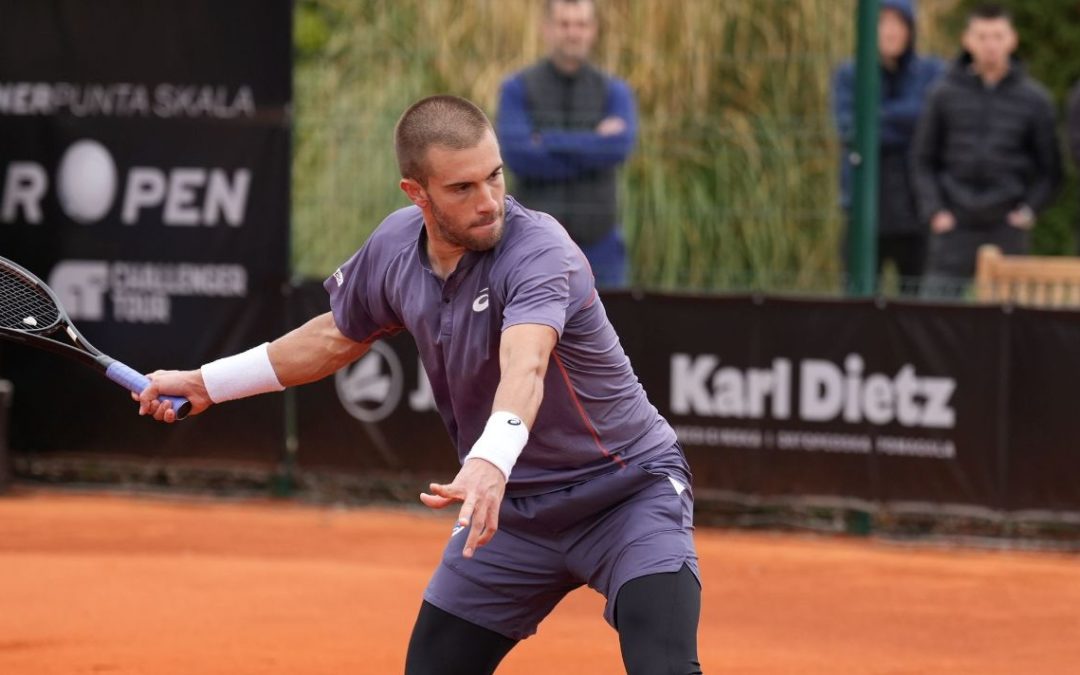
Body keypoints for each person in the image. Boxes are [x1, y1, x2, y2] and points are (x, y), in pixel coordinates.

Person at [135, 95, 701, 675]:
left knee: (664, 666)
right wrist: (208, 383)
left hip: (625, 493)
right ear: (417, 193)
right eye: (462, 189)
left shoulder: (541, 250)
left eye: (495, 177)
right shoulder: (394, 248)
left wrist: (490, 461)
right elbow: (335, 335)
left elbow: (525, 365)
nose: (488, 202)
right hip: (511, 515)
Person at [912, 3, 1061, 298]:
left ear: (1012, 39)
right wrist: (935, 211)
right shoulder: (942, 94)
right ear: (967, 40)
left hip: (1006, 226)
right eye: (982, 36)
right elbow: (922, 160)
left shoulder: (1034, 100)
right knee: (934, 319)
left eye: (997, 36)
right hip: (953, 226)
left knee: (1009, 322)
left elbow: (1050, 170)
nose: (990, 45)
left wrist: (1027, 211)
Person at [495, 0, 637, 289]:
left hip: (601, 250)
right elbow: (518, 156)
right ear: (546, 29)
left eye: (581, 24)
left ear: (593, 30)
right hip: (531, 250)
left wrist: (546, 140)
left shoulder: (615, 91)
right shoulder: (516, 88)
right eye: (564, 24)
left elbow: (617, 148)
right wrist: (594, 142)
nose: (573, 33)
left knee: (609, 331)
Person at [831, 0, 944, 294]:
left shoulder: (930, 71)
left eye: (898, 23)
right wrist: (906, 121)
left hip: (917, 207)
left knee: (917, 304)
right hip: (864, 206)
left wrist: (875, 115)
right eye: (881, 22)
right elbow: (849, 128)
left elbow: (931, 127)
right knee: (859, 304)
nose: (889, 31)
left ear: (910, 29)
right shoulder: (849, 74)